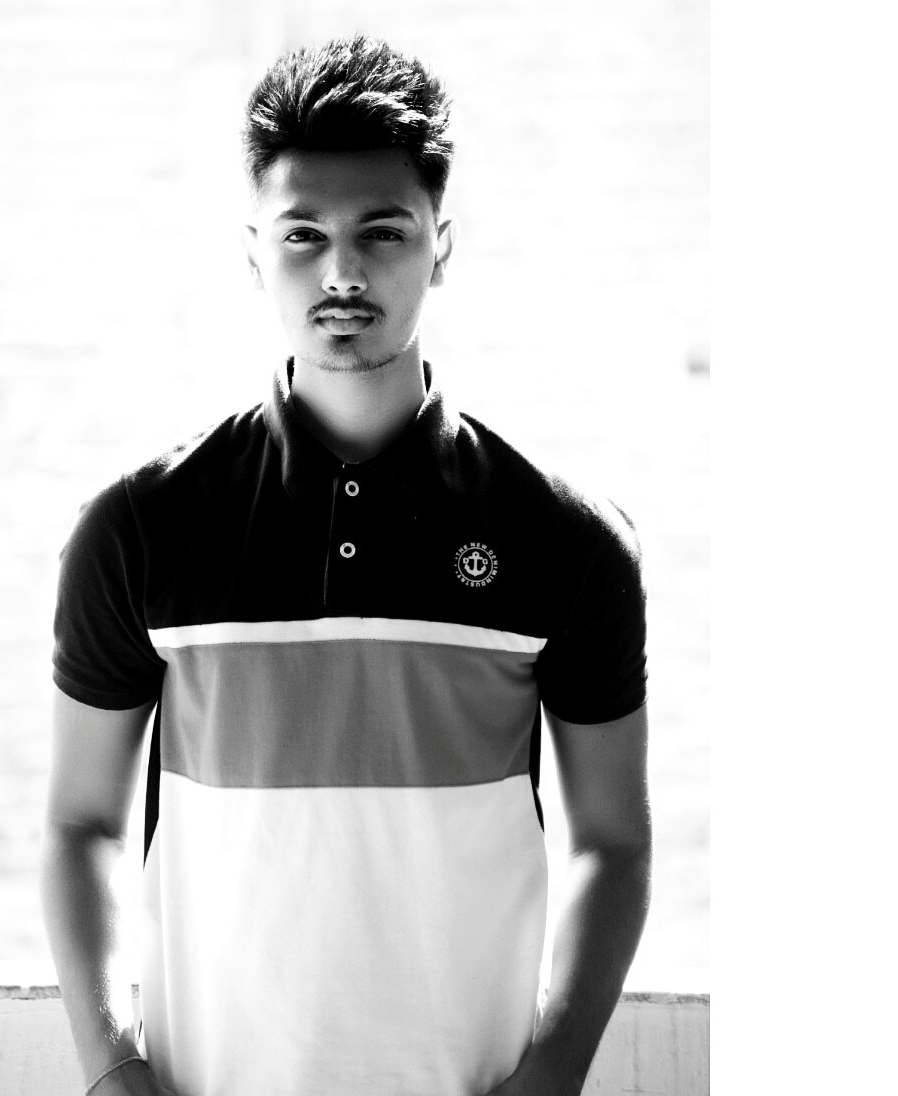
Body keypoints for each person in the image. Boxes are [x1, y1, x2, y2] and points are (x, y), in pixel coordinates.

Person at [42, 34, 651, 1096]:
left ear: (440, 244)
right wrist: (111, 1069)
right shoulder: (142, 525)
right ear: (253, 251)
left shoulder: (567, 536)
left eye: (382, 231)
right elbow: (78, 820)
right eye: (303, 235)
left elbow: (611, 839)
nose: (342, 273)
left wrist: (553, 1073)